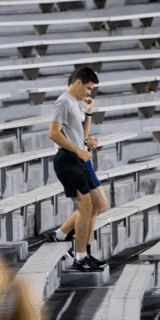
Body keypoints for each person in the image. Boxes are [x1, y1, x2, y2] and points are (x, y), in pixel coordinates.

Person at [45, 68, 109, 262]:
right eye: (88, 88)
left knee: (97, 204)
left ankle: (80, 251)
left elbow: (79, 134)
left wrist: (88, 115)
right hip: (68, 159)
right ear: (79, 82)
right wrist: (78, 149)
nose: (89, 93)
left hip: (77, 158)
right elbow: (53, 133)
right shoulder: (64, 101)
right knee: (86, 207)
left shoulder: (74, 103)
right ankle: (81, 256)